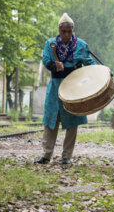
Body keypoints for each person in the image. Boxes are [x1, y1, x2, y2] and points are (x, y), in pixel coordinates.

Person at [35, 13, 96, 165]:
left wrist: (99, 72)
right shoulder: (50, 44)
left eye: (69, 31)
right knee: (51, 120)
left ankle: (66, 156)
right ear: (59, 30)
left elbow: (89, 62)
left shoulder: (81, 45)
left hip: (74, 85)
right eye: (64, 31)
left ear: (73, 30)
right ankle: (46, 154)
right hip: (55, 85)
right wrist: (54, 65)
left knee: (72, 120)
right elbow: (46, 60)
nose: (67, 34)